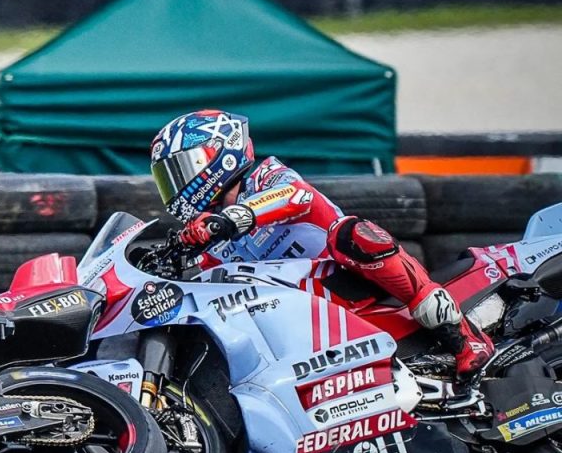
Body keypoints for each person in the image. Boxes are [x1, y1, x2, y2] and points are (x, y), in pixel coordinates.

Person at [152, 109, 496, 377]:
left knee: (351, 234)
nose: (176, 185)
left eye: (181, 169)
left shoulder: (267, 177)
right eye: (167, 179)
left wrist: (232, 218)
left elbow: (296, 196)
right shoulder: (211, 237)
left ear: (220, 154)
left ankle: (461, 334)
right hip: (294, 315)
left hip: (348, 282)